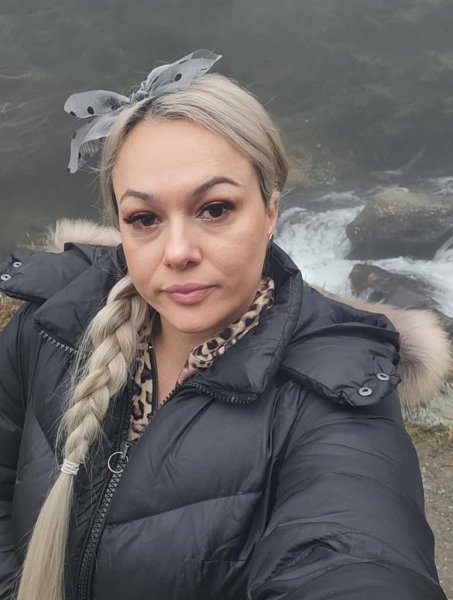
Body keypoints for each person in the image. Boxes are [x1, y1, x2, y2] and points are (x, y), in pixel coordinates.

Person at [0, 50, 449, 600]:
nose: (178, 252)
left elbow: (357, 550)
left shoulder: (335, 390)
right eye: (144, 218)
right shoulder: (49, 325)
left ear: (271, 211)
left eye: (214, 209)